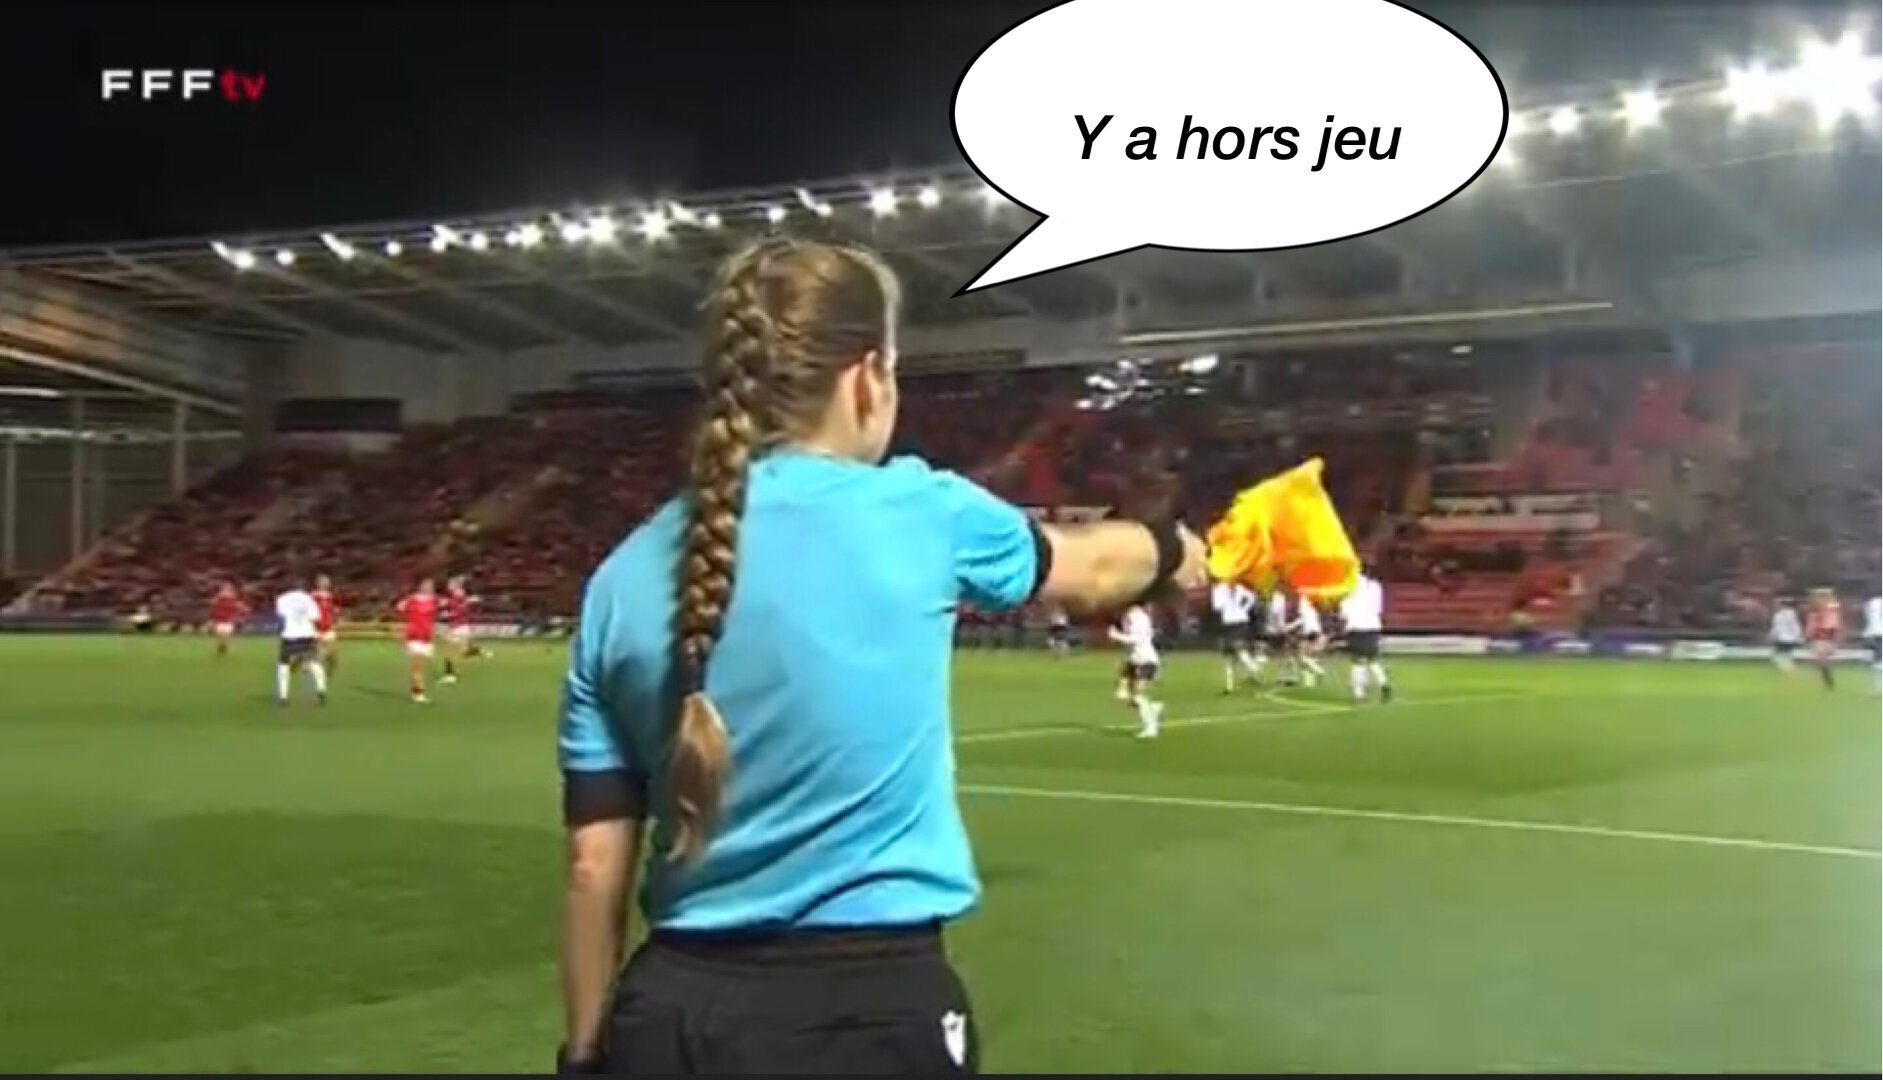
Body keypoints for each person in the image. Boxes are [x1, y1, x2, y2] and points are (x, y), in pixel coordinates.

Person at [554, 239, 1207, 1075]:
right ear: (868, 377)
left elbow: (592, 867)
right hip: (864, 1010)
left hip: (669, 1014)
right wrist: (1173, 548)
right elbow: (1093, 569)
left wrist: (584, 1057)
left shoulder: (618, 579)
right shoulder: (920, 511)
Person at [1109, 602, 1165, 739]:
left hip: (1147, 661)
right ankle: (1152, 707)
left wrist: (1116, 635)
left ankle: (1151, 728)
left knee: (1137, 695)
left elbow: (1136, 639)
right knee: (1123, 695)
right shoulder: (1130, 617)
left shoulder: (1139, 618)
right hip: (1133, 662)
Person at [273, 580, 328, 707]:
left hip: (289, 635)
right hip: (306, 635)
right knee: (313, 663)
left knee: (283, 665)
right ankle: (321, 690)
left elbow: (281, 616)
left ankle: (283, 696)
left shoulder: (282, 599)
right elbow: (315, 617)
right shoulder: (309, 599)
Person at [1339, 571, 1391, 703]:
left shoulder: (1347, 587)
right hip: (1373, 626)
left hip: (1356, 627)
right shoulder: (1375, 586)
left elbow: (1344, 613)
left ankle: (1359, 693)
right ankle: (1383, 683)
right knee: (1372, 660)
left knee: (1357, 661)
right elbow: (1379, 609)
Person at [1208, 579, 1263, 692]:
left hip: (1240, 622)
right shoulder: (1219, 590)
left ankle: (1254, 667)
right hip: (1228, 623)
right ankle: (1229, 686)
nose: (1232, 582)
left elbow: (1252, 598)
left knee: (1239, 648)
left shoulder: (1239, 588)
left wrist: (1244, 609)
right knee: (1229, 656)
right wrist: (1227, 597)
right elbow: (1217, 607)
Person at [397, 578, 439, 704]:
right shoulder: (412, 599)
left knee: (425, 665)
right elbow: (399, 607)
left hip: (427, 636)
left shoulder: (434, 600)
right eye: (426, 585)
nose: (429, 588)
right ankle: (418, 693)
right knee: (417, 665)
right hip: (414, 635)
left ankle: (418, 690)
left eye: (431, 586)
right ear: (420, 586)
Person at [441, 574, 478, 683]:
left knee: (451, 651)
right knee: (458, 650)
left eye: (451, 585)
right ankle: (451, 672)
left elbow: (459, 611)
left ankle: (450, 674)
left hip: (459, 626)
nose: (449, 586)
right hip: (459, 626)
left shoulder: (458, 597)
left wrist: (448, 614)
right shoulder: (456, 598)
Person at [1806, 587, 1842, 691]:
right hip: (1824, 636)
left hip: (1824, 635)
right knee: (1822, 659)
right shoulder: (1826, 609)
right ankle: (1828, 680)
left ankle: (1828, 680)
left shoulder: (1828, 609)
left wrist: (1809, 633)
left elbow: (1816, 623)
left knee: (1822, 659)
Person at [312, 573, 342, 677]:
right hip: (317, 627)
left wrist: (335, 613)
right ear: (318, 583)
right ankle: (317, 672)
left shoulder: (329, 596)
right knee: (320, 652)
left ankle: (321, 668)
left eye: (327, 582)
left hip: (328, 627)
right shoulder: (314, 595)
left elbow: (331, 610)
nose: (327, 583)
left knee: (333, 654)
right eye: (324, 582)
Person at [209, 582, 245, 659]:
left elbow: (239, 608)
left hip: (229, 620)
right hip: (219, 620)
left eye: (228, 590)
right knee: (220, 634)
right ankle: (221, 646)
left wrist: (240, 615)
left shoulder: (234, 600)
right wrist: (212, 619)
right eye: (225, 590)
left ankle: (224, 647)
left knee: (227, 634)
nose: (226, 592)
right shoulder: (218, 600)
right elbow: (213, 609)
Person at [1768, 597, 1802, 676]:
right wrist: (1797, 636)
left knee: (1778, 656)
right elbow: (1795, 626)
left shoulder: (1780, 615)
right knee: (1784, 655)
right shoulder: (1790, 614)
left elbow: (1776, 627)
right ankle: (1788, 669)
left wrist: (1772, 635)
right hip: (1787, 638)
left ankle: (1787, 670)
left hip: (1783, 638)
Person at [1862, 590, 1881, 693]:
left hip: (1869, 635)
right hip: (1879, 635)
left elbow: (1868, 618)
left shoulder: (1869, 604)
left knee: (1873, 661)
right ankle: (1877, 688)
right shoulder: (1876, 603)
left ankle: (1875, 688)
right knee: (1878, 662)